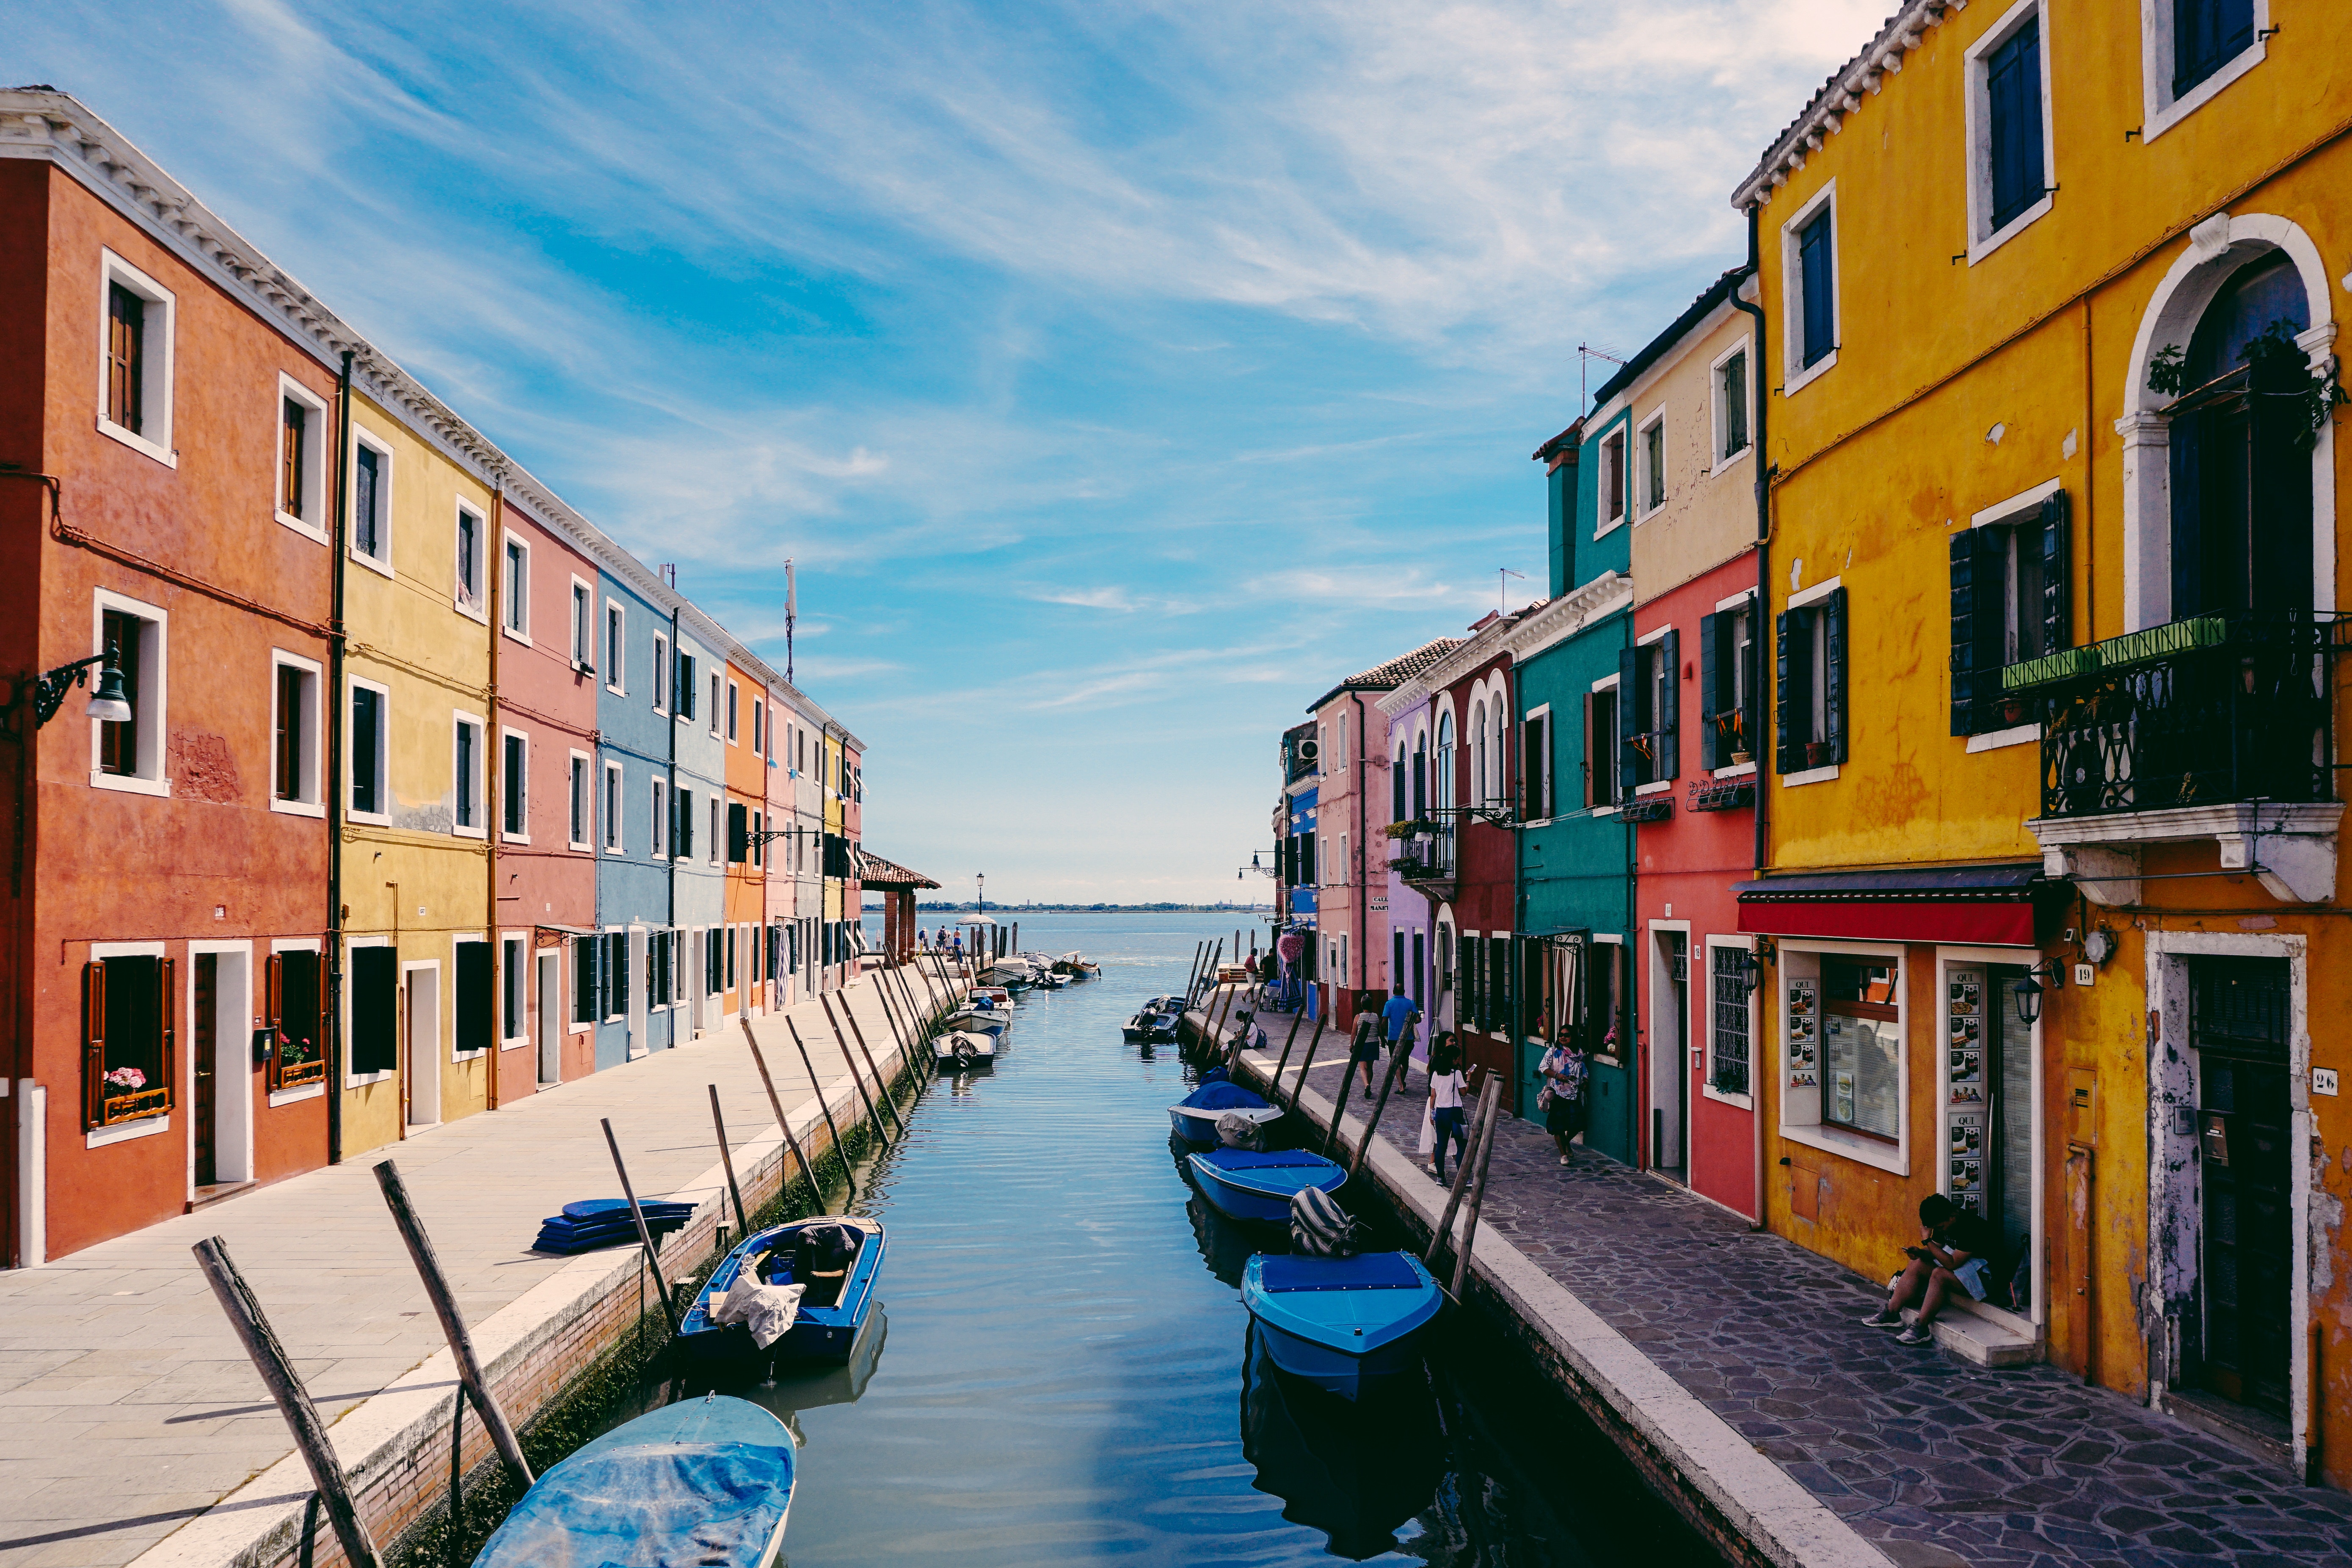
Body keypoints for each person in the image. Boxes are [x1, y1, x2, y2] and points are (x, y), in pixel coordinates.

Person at [1864, 1193, 2005, 1347]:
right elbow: (1935, 1251)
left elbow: (1952, 1264)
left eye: (1940, 1227)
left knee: (1940, 1275)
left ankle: (1922, 1327)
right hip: (1966, 1271)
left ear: (1952, 1217)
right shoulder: (1943, 1221)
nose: (1939, 1230)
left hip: (1986, 1280)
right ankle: (1892, 1312)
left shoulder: (1971, 1227)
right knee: (1917, 1263)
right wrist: (1920, 1253)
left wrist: (1927, 1240)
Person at [1536, 1027, 1587, 1165]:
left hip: (1574, 1093)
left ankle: (1565, 1143)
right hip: (1557, 1093)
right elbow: (1543, 1068)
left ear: (1573, 1037)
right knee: (1558, 1126)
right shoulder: (1553, 1051)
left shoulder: (1579, 1053)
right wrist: (1557, 1075)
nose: (1563, 1037)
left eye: (1567, 1035)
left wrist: (1585, 1081)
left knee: (1577, 1124)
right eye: (1561, 1035)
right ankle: (1563, 1155)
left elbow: (1583, 1069)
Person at [1424, 1035, 1469, 1182]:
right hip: (1455, 1113)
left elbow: (1433, 1096)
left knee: (1441, 1147)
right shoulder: (1457, 1074)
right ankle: (1463, 1178)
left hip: (1440, 1113)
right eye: (1457, 1059)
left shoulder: (1436, 1074)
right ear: (1454, 1060)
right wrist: (1469, 1078)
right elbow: (1464, 1092)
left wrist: (1432, 1113)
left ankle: (1441, 1177)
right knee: (1461, 1146)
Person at [1379, 984, 1420, 1094]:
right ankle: (1402, 1082)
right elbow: (1418, 1019)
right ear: (1404, 991)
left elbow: (1384, 1022)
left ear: (1393, 991)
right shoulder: (1410, 1003)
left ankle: (1401, 1085)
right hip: (1408, 1037)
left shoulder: (1389, 1004)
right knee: (1405, 1061)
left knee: (1395, 1062)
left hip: (1394, 1038)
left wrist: (1382, 1038)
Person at [1347, 1003, 1383, 1097]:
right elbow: (1380, 1031)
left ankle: (1367, 1085)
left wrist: (1352, 1044)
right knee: (1370, 1067)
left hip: (1363, 1044)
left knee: (1363, 1067)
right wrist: (1383, 1041)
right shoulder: (1376, 1017)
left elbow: (1354, 1032)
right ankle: (1369, 1085)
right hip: (1374, 1043)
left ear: (1362, 1006)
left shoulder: (1358, 1017)